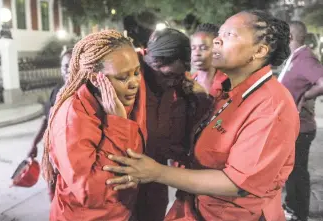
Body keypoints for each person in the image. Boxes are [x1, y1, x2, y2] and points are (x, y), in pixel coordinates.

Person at [103, 10, 300, 221]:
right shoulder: (225, 91)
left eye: (229, 35)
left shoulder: (271, 107)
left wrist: (156, 172)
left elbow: (236, 184)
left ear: (260, 50)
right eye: (220, 34)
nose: (217, 40)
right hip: (194, 207)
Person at [42, 30, 147, 221]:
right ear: (94, 78)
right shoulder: (72, 116)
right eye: (123, 77)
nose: (134, 83)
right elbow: (92, 191)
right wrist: (118, 125)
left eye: (137, 72)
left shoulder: (121, 98)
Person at [136, 28, 211, 221]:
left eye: (179, 76)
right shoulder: (129, 81)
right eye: (168, 75)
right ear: (152, 61)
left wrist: (201, 99)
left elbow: (182, 141)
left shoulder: (180, 88)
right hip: (121, 181)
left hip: (153, 182)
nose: (172, 82)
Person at [278, 21, 323, 221]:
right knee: (291, 170)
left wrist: (305, 97)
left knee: (297, 173)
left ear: (289, 37)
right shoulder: (295, 58)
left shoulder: (304, 58)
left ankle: (299, 213)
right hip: (291, 126)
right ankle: (293, 208)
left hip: (301, 128)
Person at [28, 48, 72, 158]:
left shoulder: (90, 94)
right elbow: (47, 119)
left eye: (73, 64)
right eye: (65, 66)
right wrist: (34, 143)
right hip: (59, 157)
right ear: (61, 69)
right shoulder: (57, 92)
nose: (69, 69)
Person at [191, 23, 230, 98]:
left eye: (203, 48)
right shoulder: (185, 85)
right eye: (193, 48)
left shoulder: (229, 85)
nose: (196, 53)